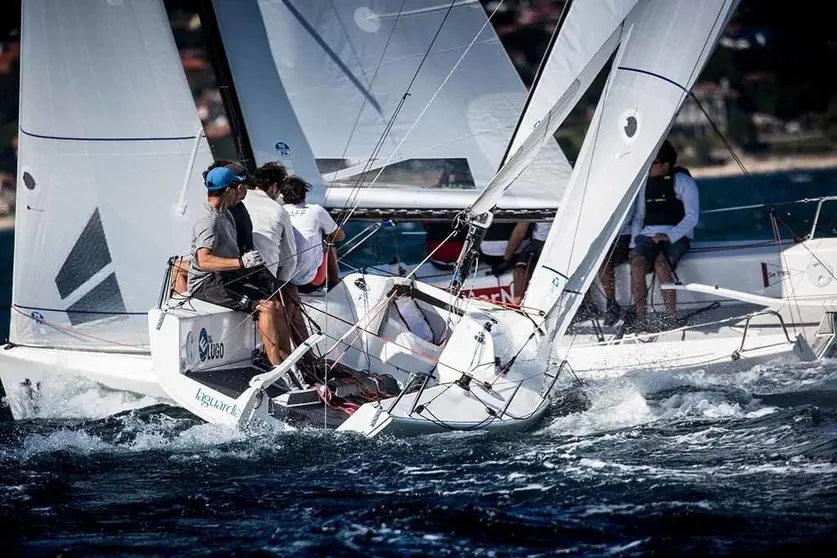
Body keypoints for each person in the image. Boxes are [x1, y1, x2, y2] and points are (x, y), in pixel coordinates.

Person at [188, 165, 292, 365]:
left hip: (225, 279)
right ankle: (276, 367)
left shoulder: (225, 213)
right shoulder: (208, 220)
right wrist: (241, 262)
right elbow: (204, 260)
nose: (241, 191)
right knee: (266, 308)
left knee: (277, 305)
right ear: (228, 190)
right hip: (206, 285)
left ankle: (288, 361)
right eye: (238, 187)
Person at [628, 139, 699, 331]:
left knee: (661, 265)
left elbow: (692, 217)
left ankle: (671, 319)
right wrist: (633, 246)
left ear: (666, 165)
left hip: (677, 236)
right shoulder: (645, 184)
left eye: (654, 163)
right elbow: (639, 217)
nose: (649, 166)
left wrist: (669, 236)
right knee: (637, 265)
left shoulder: (684, 182)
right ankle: (642, 322)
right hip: (648, 235)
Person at [245, 161, 310, 349]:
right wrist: (279, 288)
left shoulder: (238, 200)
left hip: (232, 275)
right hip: (262, 282)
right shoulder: (279, 211)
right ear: (274, 187)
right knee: (286, 300)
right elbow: (290, 260)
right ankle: (288, 359)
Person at [281, 176, 345, 293]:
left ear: (282, 196)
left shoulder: (279, 211)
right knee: (329, 238)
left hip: (281, 280)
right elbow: (340, 236)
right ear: (304, 194)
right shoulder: (316, 210)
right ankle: (334, 285)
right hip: (309, 282)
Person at [596, 214, 634, 326]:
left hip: (626, 236)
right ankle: (611, 304)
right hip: (605, 238)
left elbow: (633, 217)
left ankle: (636, 309)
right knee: (602, 262)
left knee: (637, 262)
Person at [502, 221, 550, 305]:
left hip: (545, 244)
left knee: (521, 274)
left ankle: (520, 303)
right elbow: (519, 232)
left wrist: (506, 259)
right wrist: (506, 259)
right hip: (538, 244)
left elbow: (519, 232)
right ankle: (520, 303)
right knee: (520, 273)